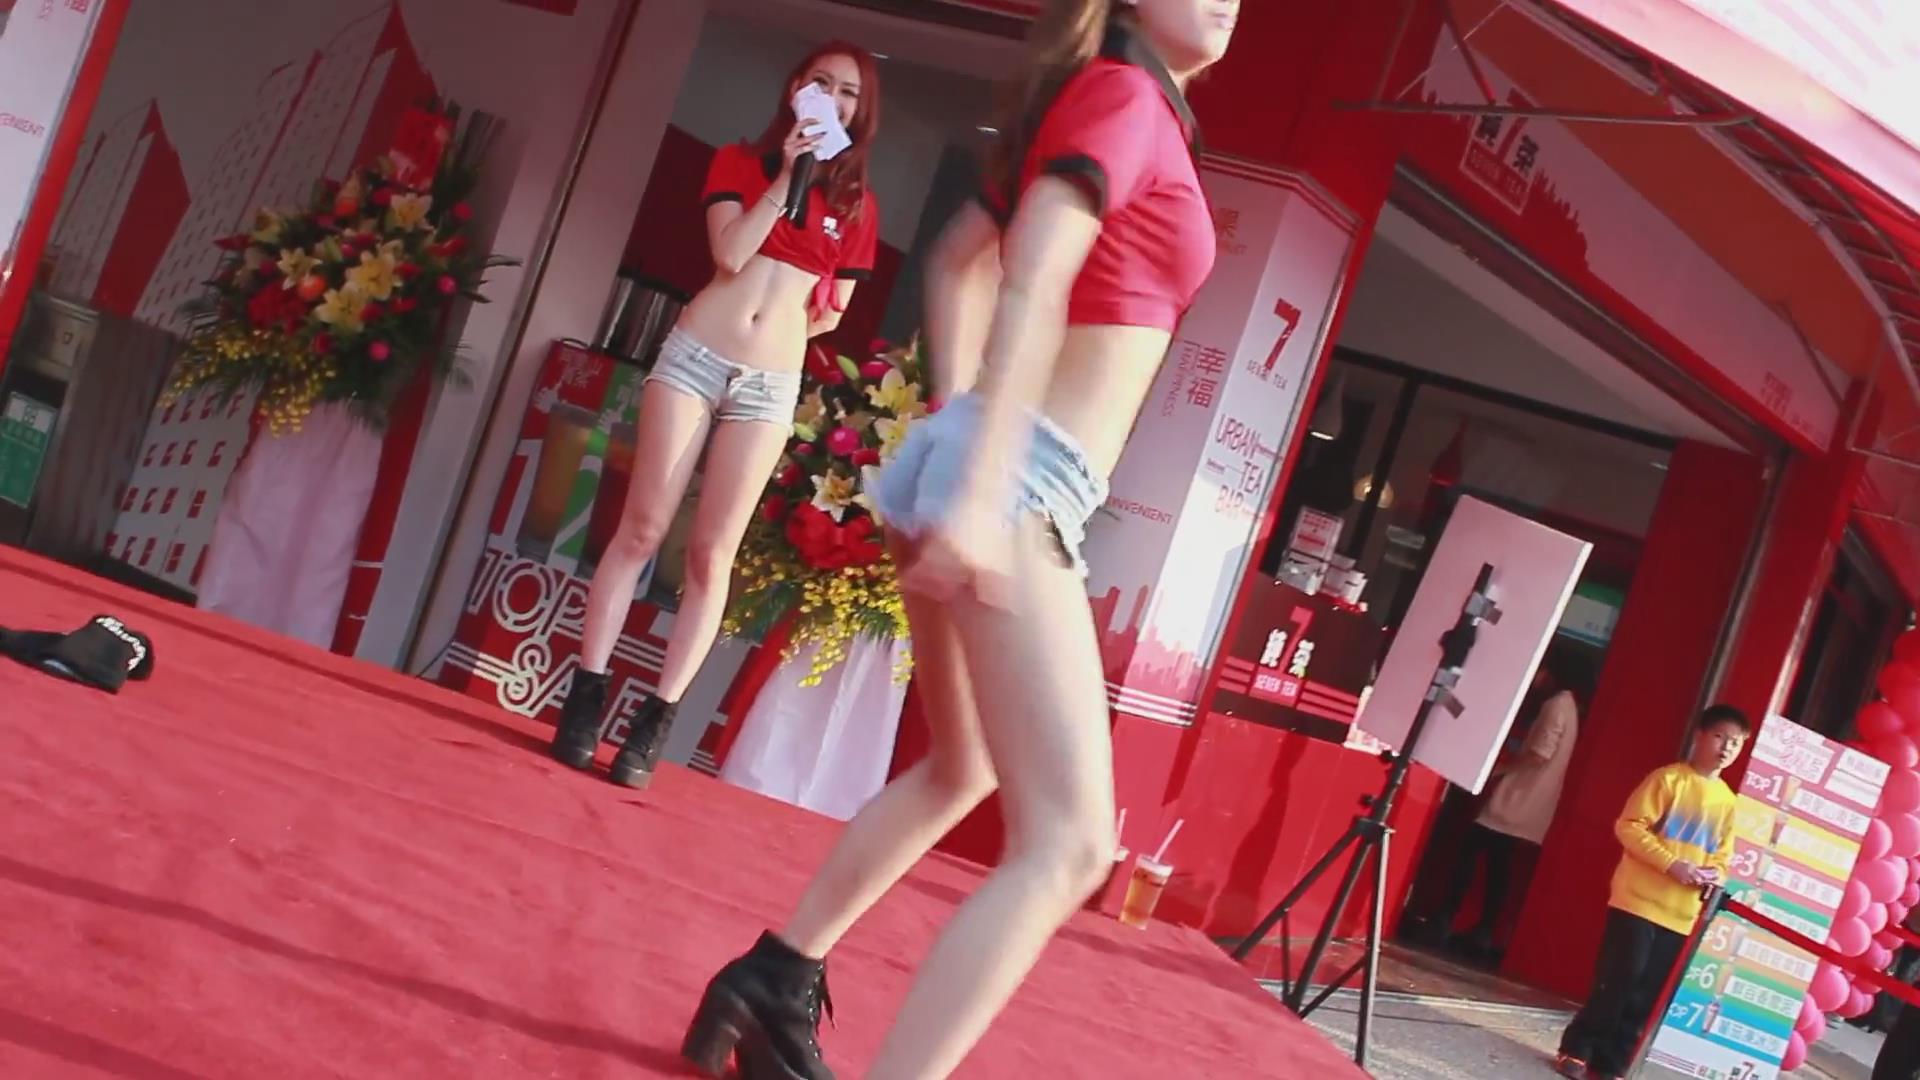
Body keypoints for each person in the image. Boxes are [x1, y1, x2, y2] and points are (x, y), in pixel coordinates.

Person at [678, 3, 1235, 1077]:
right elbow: (1030, 271)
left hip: (986, 459)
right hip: (1018, 477)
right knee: (1070, 842)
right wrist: (979, 484)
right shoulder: (1125, 98)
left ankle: (775, 977)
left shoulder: (1113, 101)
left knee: (963, 767)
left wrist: (957, 431)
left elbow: (955, 260)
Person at [547, 42, 882, 787]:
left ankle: (654, 720)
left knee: (710, 553)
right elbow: (730, 255)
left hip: (769, 383)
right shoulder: (740, 161)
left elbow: (835, 311)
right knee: (642, 527)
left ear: (861, 113)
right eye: (821, 83)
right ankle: (586, 694)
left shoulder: (858, 204)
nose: (832, 99)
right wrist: (788, 175)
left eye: (848, 92)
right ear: (795, 90)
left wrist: (785, 325)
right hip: (696, 358)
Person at [1555, 705, 1749, 1080]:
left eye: (1736, 743)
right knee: (1618, 979)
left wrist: (1713, 873)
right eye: (1719, 737)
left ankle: (1612, 1064)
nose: (1726, 748)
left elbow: (1723, 856)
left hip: (1680, 914)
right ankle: (1577, 1048)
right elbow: (1629, 827)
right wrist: (1671, 863)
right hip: (1637, 901)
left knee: (1646, 994)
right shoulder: (1668, 780)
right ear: (1700, 736)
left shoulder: (1728, 802)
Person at [1423, 646, 1593, 961]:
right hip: (1531, 803)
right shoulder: (1570, 706)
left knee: (1470, 854)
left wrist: (1499, 769)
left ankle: (1445, 919)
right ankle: (1484, 930)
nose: (1536, 676)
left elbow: (1539, 753)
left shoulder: (1555, 705)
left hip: (1517, 798)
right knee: (1498, 867)